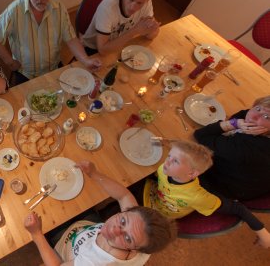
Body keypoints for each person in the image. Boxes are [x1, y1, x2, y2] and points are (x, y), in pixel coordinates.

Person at [24, 160, 176, 265]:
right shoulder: (143, 235)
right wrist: (94, 173)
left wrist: (36, 234)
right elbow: (124, 196)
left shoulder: (94, 262)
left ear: (135, 249)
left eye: (127, 238)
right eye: (123, 221)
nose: (115, 230)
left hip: (64, 244)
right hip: (85, 227)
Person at [142, 140, 270, 248]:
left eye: (175, 161)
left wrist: (263, 233)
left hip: (158, 218)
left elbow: (237, 208)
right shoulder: (164, 169)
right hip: (150, 195)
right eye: (169, 156)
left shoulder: (198, 197)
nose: (167, 161)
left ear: (192, 173)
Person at [0, 0, 102, 85]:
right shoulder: (14, 11)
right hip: (25, 74)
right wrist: (10, 62)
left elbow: (71, 38)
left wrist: (86, 60)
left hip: (54, 69)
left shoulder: (59, 8)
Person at [194, 95, 270, 200]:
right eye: (258, 108)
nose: (253, 116)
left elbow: (201, 135)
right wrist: (237, 122)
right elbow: (243, 114)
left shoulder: (248, 147)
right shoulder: (260, 126)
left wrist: (234, 124)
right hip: (235, 172)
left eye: (267, 117)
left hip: (218, 188)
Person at [82, 0, 161, 56]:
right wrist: (135, 31)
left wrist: (153, 29)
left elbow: (151, 35)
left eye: (139, 3)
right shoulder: (108, 6)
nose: (132, 7)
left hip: (120, 44)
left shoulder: (147, 2)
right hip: (93, 49)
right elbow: (102, 50)